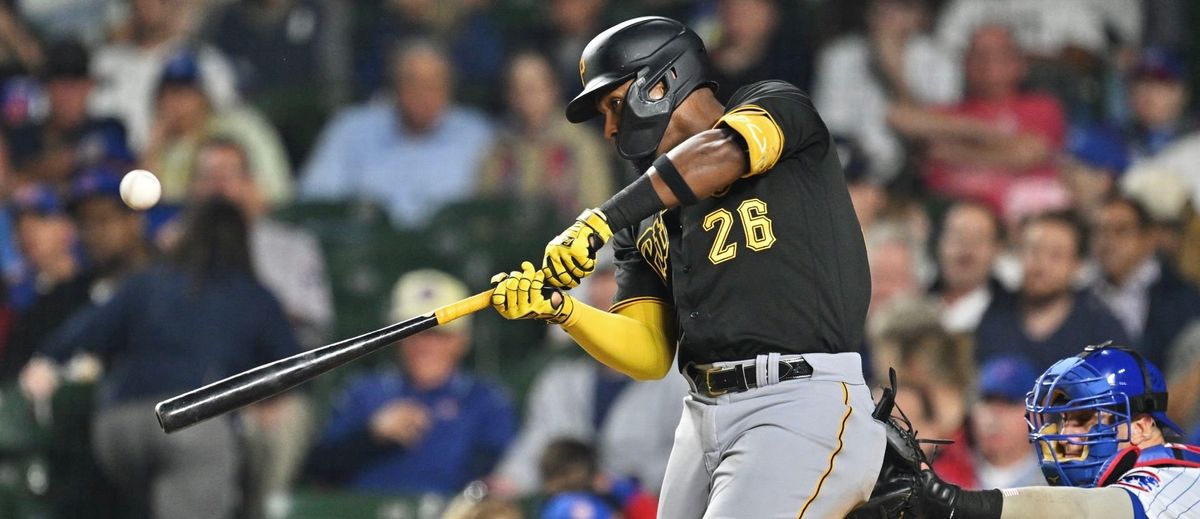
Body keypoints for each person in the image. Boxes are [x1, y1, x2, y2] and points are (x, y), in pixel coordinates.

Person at [488, 16, 885, 517]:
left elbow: (724, 150)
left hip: (798, 397)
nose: (609, 128)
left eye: (613, 104)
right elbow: (651, 352)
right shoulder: (642, 212)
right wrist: (562, 310)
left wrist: (600, 220)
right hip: (701, 413)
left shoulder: (775, 104)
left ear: (663, 81)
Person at [19, 199, 301, 519]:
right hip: (192, 425)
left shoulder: (148, 280)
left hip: (117, 427)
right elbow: (291, 372)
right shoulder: (252, 294)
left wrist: (45, 362)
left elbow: (77, 336)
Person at [853, 342, 1200, 518]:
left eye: (1082, 419)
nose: (1064, 436)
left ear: (1140, 427)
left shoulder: (1176, 475)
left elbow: (1084, 511)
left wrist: (957, 503)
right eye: (1059, 420)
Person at [491, 252, 687, 496]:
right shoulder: (561, 381)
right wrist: (497, 487)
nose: (608, 295)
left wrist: (621, 487)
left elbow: (690, 463)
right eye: (599, 285)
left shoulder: (684, 375)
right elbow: (536, 449)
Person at [307, 269, 516, 495]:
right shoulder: (364, 392)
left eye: (438, 333)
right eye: (413, 332)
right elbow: (318, 470)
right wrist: (370, 436)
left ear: (462, 339)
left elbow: (499, 474)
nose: (424, 345)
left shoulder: (485, 399)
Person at [300, 40, 493, 227]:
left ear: (449, 89)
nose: (423, 96)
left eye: (434, 85)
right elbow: (314, 201)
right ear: (394, 86)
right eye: (413, 83)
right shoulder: (351, 129)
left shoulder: (477, 135)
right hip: (369, 250)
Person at [889, 24, 1066, 220]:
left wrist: (956, 149)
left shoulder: (1042, 106)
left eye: (999, 54)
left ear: (1020, 63)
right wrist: (989, 135)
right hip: (948, 215)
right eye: (978, 55)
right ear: (965, 63)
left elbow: (1031, 153)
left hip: (1026, 218)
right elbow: (898, 118)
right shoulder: (951, 110)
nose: (988, 62)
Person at [189, 137, 332, 348]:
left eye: (228, 176)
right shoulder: (171, 246)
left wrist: (260, 310)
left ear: (250, 184)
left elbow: (318, 323)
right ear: (192, 187)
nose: (218, 188)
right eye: (209, 177)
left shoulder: (292, 247)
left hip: (267, 360)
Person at [813, 0, 960, 183]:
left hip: (918, 177)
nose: (886, 13)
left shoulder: (939, 60)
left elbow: (934, 141)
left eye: (900, 6)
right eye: (879, 5)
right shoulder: (839, 56)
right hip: (853, 175)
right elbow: (832, 131)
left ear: (919, 16)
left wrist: (893, 73)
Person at [975, 211, 1129, 370]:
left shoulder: (1101, 331)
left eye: (1055, 255)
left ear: (1077, 265)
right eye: (1032, 250)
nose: (1041, 265)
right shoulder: (995, 314)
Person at [477, 50, 614, 222]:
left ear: (553, 89)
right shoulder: (498, 147)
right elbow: (483, 209)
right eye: (517, 89)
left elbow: (597, 211)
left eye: (533, 88)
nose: (525, 98)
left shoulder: (581, 144)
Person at [143, 51, 293, 205]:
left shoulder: (240, 127)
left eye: (185, 93)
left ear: (204, 97)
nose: (175, 103)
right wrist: (152, 151)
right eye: (166, 94)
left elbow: (275, 191)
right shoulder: (162, 143)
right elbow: (150, 203)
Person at [1089, 196, 1200, 367]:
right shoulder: (1081, 293)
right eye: (1100, 231)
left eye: (1120, 231)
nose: (1108, 241)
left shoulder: (1182, 296)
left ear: (1148, 239)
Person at [970, 357, 1044, 489]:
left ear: (1036, 416)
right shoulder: (949, 475)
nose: (994, 416)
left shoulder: (1058, 484)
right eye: (987, 402)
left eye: (1009, 403)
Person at [932, 201, 1002, 334]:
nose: (967, 247)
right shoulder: (916, 304)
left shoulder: (1019, 315)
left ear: (997, 249)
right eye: (958, 237)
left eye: (978, 239)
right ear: (939, 244)